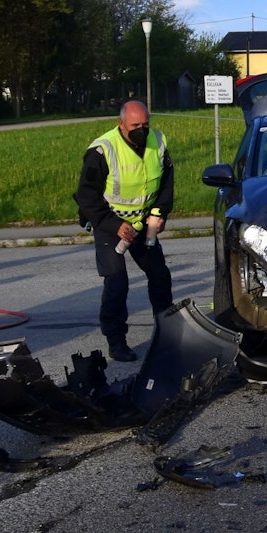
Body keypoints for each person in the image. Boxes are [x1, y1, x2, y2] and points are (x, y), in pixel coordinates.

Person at [73, 99, 174, 362]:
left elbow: (166, 183)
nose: (141, 129)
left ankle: (168, 332)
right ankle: (116, 342)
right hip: (110, 224)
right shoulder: (102, 150)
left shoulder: (158, 142)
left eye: (145, 124)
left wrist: (160, 213)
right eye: (134, 125)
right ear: (121, 124)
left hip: (143, 223)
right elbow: (86, 196)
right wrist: (114, 225)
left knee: (160, 276)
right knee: (117, 282)